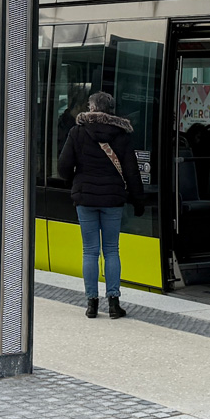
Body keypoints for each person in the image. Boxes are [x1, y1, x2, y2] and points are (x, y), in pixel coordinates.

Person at [58, 91, 146, 319]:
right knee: (111, 250)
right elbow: (132, 172)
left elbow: (63, 167)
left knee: (89, 251)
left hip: (85, 199)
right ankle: (114, 304)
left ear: (92, 108)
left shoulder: (77, 132)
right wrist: (138, 200)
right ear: (111, 110)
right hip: (112, 200)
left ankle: (92, 304)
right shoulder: (122, 134)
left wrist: (76, 181)